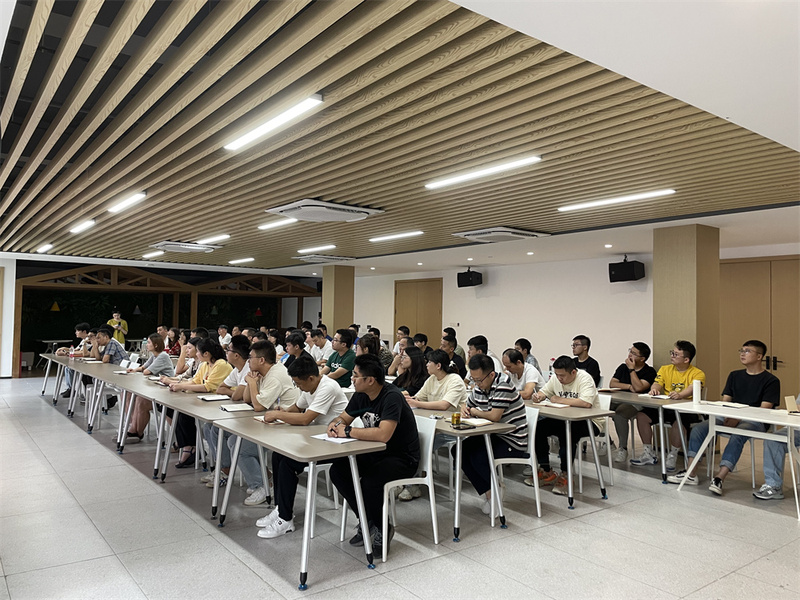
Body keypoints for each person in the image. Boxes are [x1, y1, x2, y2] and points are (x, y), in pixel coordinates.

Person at [328, 354, 420, 555]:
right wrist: (334, 425)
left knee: (370, 482)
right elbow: (343, 418)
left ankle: (382, 527)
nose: (352, 379)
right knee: (338, 471)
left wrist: (348, 431)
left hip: (402, 457)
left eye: (355, 375)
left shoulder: (391, 397)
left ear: (370, 380)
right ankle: (368, 520)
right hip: (375, 452)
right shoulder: (361, 394)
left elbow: (383, 435)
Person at [667, 340, 780, 495]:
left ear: (759, 356)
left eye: (747, 351)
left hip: (754, 420)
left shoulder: (771, 380)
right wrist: (728, 415)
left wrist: (737, 418)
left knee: (737, 434)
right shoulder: (734, 375)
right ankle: (690, 473)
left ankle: (719, 477)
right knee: (699, 429)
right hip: (729, 415)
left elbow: (763, 410)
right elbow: (725, 401)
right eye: (741, 350)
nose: (742, 354)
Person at [255, 355, 349, 538]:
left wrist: (278, 415)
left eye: (299, 383)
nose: (298, 387)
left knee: (288, 463)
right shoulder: (310, 386)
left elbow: (306, 419)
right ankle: (280, 508)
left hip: (336, 445)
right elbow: (297, 408)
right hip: (319, 439)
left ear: (311, 378)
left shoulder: (327, 387)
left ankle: (285, 519)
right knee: (278, 455)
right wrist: (281, 412)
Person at [456, 353, 528, 514]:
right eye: (474, 380)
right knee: (459, 450)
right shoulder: (480, 386)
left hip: (512, 440)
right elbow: (468, 404)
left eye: (479, 380)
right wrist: (465, 409)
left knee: (478, 456)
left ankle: (494, 492)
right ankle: (490, 492)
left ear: (491, 375)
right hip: (492, 435)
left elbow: (495, 416)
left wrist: (474, 411)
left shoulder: (503, 384)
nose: (477, 384)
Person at [631, 340, 706, 470]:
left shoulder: (697, 373)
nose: (672, 356)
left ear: (686, 359)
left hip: (686, 410)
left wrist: (680, 395)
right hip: (665, 406)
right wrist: (654, 390)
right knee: (642, 416)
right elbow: (657, 383)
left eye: (676, 354)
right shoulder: (665, 369)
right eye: (672, 353)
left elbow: (692, 388)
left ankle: (673, 455)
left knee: (678, 423)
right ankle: (648, 453)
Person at [530, 355, 601, 494]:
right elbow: (544, 391)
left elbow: (586, 403)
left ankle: (566, 474)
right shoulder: (556, 378)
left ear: (573, 372)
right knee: (539, 427)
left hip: (590, 421)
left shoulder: (585, 378)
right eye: (556, 375)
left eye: (562, 375)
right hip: (565, 418)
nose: (559, 378)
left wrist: (559, 399)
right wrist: (538, 396)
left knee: (567, 432)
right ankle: (545, 470)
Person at [168, 338, 232, 468]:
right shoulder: (204, 364)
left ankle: (194, 450)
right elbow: (194, 381)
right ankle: (189, 447)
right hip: (207, 401)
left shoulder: (221, 364)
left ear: (206, 353)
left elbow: (206, 387)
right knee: (178, 411)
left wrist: (180, 386)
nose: (196, 354)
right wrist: (177, 385)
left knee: (186, 416)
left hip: (221, 404)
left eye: (197, 351)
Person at [608, 343, 658, 462]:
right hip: (619, 399)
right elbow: (612, 383)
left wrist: (631, 369)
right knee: (598, 408)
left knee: (620, 414)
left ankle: (623, 448)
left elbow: (639, 388)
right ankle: (607, 442)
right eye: (630, 351)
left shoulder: (649, 371)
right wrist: (629, 386)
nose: (630, 355)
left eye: (634, 353)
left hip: (637, 404)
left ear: (642, 358)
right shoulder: (622, 367)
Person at [125, 334, 175, 440]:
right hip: (156, 387)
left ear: (155, 345)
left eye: (148, 343)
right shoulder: (154, 356)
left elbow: (147, 371)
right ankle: (133, 427)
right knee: (129, 394)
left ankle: (137, 432)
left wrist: (142, 370)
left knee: (141, 400)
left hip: (165, 391)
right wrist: (134, 370)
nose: (146, 345)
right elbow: (143, 367)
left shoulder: (163, 356)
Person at [755, 428, 800, 500]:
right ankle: (773, 486)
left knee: (773, 441)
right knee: (771, 440)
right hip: (791, 428)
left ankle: (773, 486)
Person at [55, 322, 91, 398]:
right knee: (67, 367)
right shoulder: (83, 340)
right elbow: (76, 349)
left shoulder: (88, 340)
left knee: (70, 368)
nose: (76, 333)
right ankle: (70, 388)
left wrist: (67, 353)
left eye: (78, 331)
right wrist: (64, 349)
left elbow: (82, 352)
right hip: (81, 361)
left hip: (86, 363)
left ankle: (71, 389)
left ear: (84, 331)